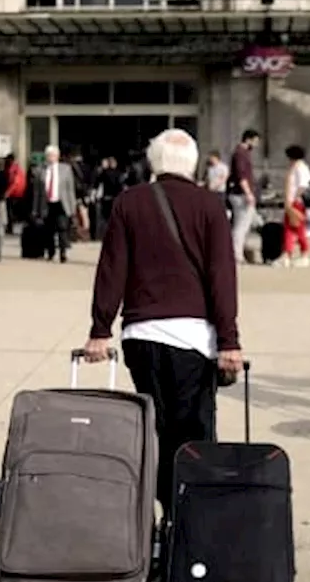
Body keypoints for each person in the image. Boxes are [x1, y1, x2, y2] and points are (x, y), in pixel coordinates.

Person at [81, 128, 243, 514]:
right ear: (193, 163)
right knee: (194, 434)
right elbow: (222, 277)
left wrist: (100, 330)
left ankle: (157, 517)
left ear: (153, 162)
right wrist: (230, 340)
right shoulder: (209, 206)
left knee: (155, 431)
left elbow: (111, 270)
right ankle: (188, 522)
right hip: (193, 339)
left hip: (142, 335)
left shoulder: (128, 203)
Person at [31, 144, 77, 263]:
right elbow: (37, 193)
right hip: (47, 204)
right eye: (48, 156)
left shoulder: (66, 169)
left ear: (57, 156)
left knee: (62, 228)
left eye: (53, 155)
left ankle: (63, 252)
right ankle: (51, 252)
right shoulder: (40, 171)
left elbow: (70, 189)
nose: (50, 158)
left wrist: (73, 207)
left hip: (61, 203)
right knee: (48, 230)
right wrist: (35, 209)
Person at [276, 145, 310, 268]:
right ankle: (287, 254)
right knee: (290, 229)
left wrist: (294, 198)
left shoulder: (301, 167)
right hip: (291, 202)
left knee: (298, 229)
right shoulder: (295, 167)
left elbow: (303, 185)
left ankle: (303, 254)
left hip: (295, 202)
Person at [227, 129, 260, 264]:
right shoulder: (241, 154)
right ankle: (237, 255)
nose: (256, 144)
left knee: (244, 225)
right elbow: (242, 176)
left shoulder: (241, 153)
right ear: (248, 139)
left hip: (238, 193)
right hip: (241, 194)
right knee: (241, 226)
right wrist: (248, 193)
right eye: (256, 141)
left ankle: (240, 252)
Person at [0, 154, 27, 235]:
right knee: (13, 212)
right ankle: (10, 227)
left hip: (14, 193)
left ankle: (10, 228)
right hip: (19, 193)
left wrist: (7, 192)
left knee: (10, 212)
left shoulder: (13, 169)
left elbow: (14, 183)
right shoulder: (18, 169)